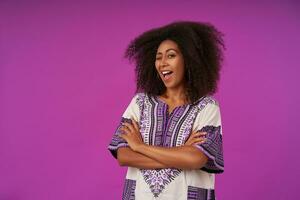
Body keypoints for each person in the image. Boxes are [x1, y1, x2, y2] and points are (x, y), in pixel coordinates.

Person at [108, 20, 225, 200]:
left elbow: (196, 159)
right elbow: (123, 156)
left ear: (189, 59)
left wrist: (139, 146)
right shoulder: (140, 103)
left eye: (171, 56)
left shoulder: (207, 106)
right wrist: (181, 153)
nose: (162, 63)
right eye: (158, 57)